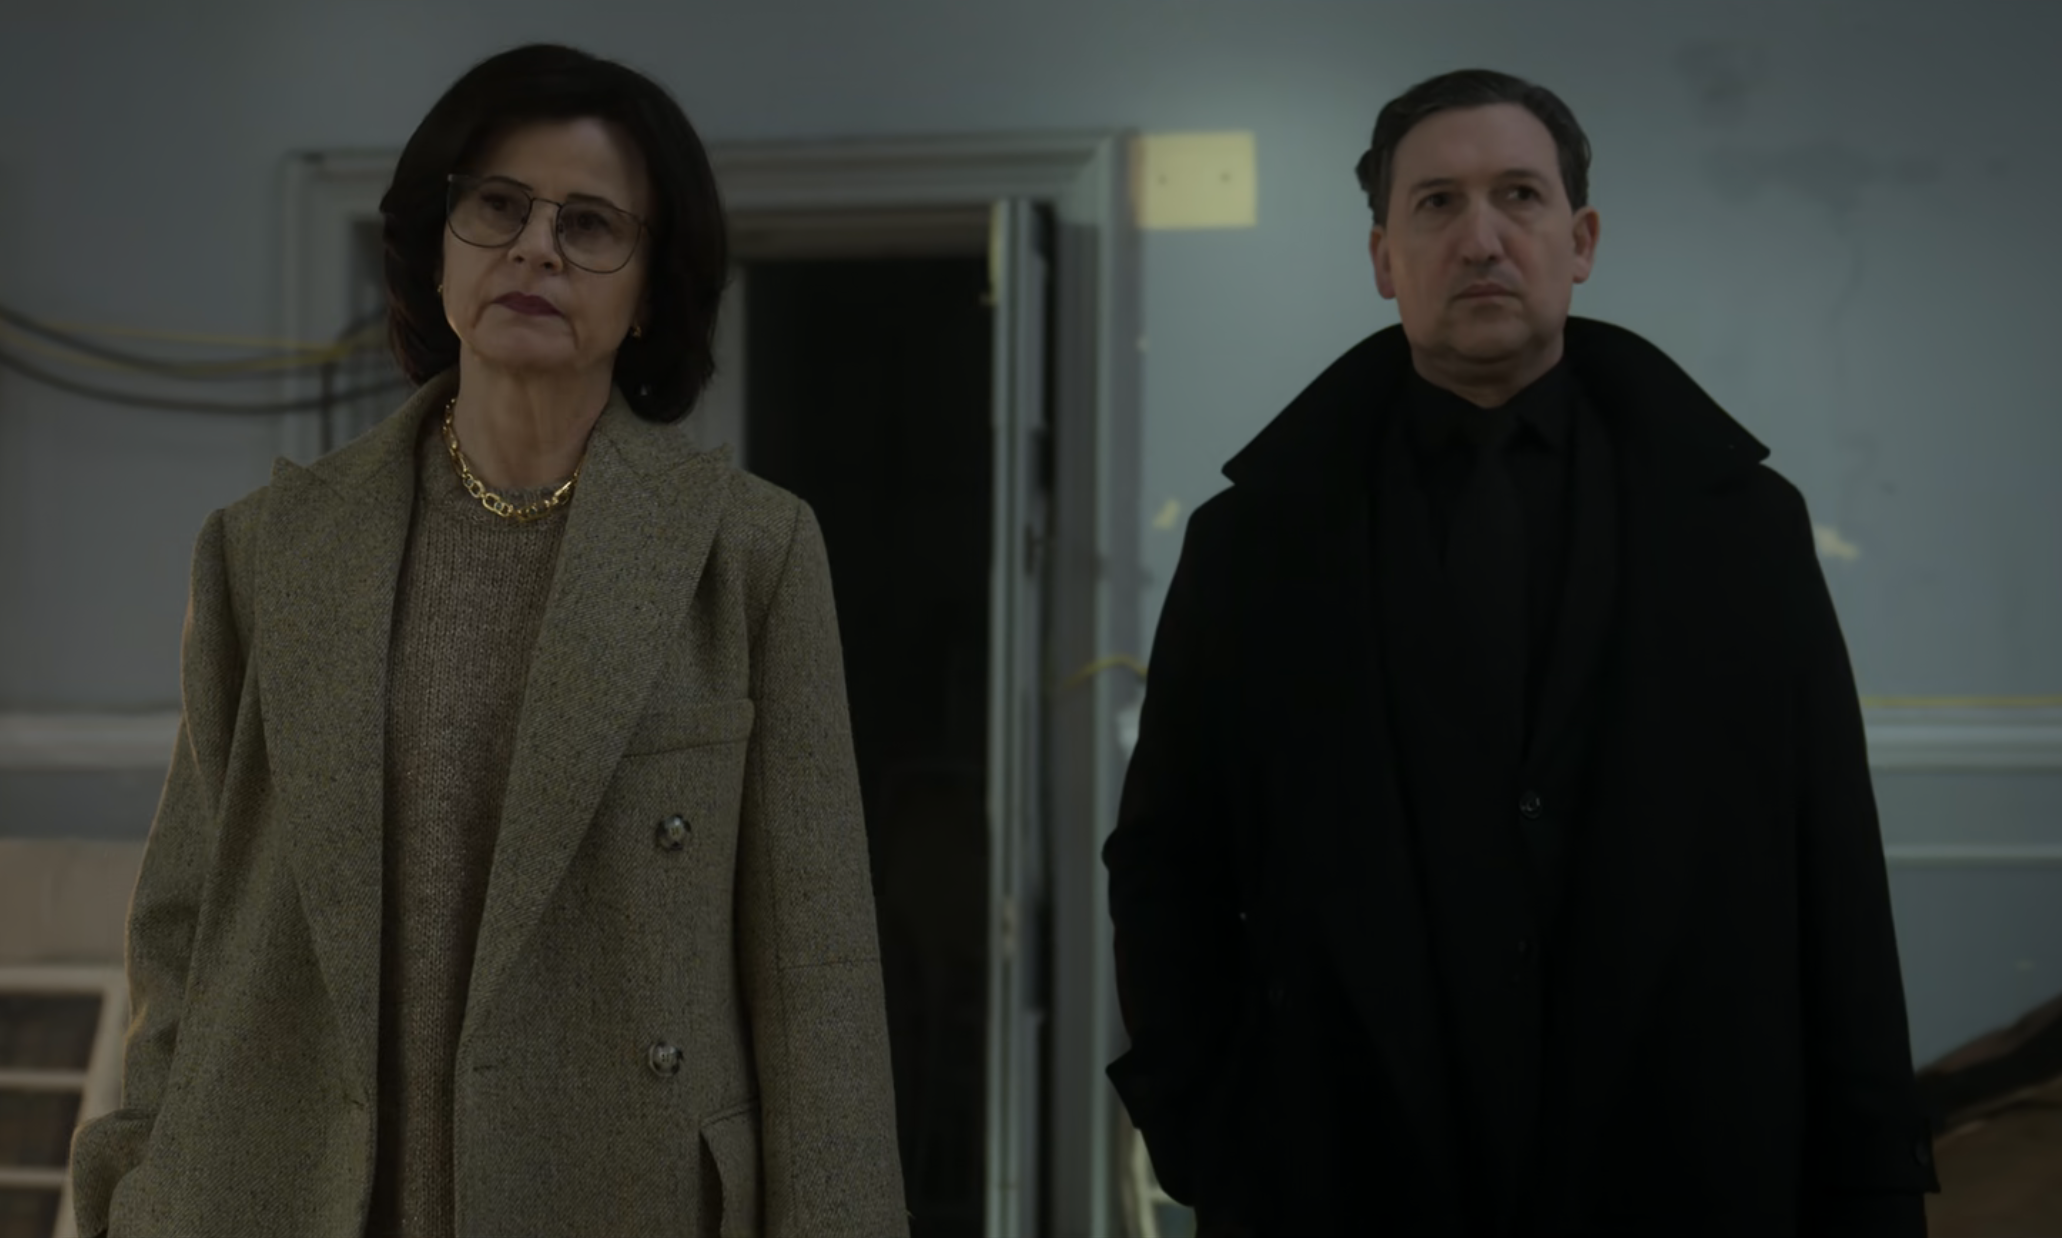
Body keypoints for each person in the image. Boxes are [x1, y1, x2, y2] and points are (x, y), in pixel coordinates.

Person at [67, 43, 907, 1238]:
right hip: (273, 1188)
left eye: (590, 224)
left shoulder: (748, 553)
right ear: (440, 246)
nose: (536, 247)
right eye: (499, 206)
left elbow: (815, 972)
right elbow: (180, 924)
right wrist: (129, 1192)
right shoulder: (266, 549)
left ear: (649, 290)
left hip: (616, 1189)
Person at [1103, 68, 1940, 1237]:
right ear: (1384, 258)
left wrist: (1873, 1182)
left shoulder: (1742, 528)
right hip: (1344, 1168)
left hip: (1685, 1157)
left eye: (1518, 195)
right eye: (1436, 204)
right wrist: (1204, 1125)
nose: (1481, 237)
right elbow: (1166, 861)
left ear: (1579, 240)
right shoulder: (1253, 543)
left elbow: (1833, 864)